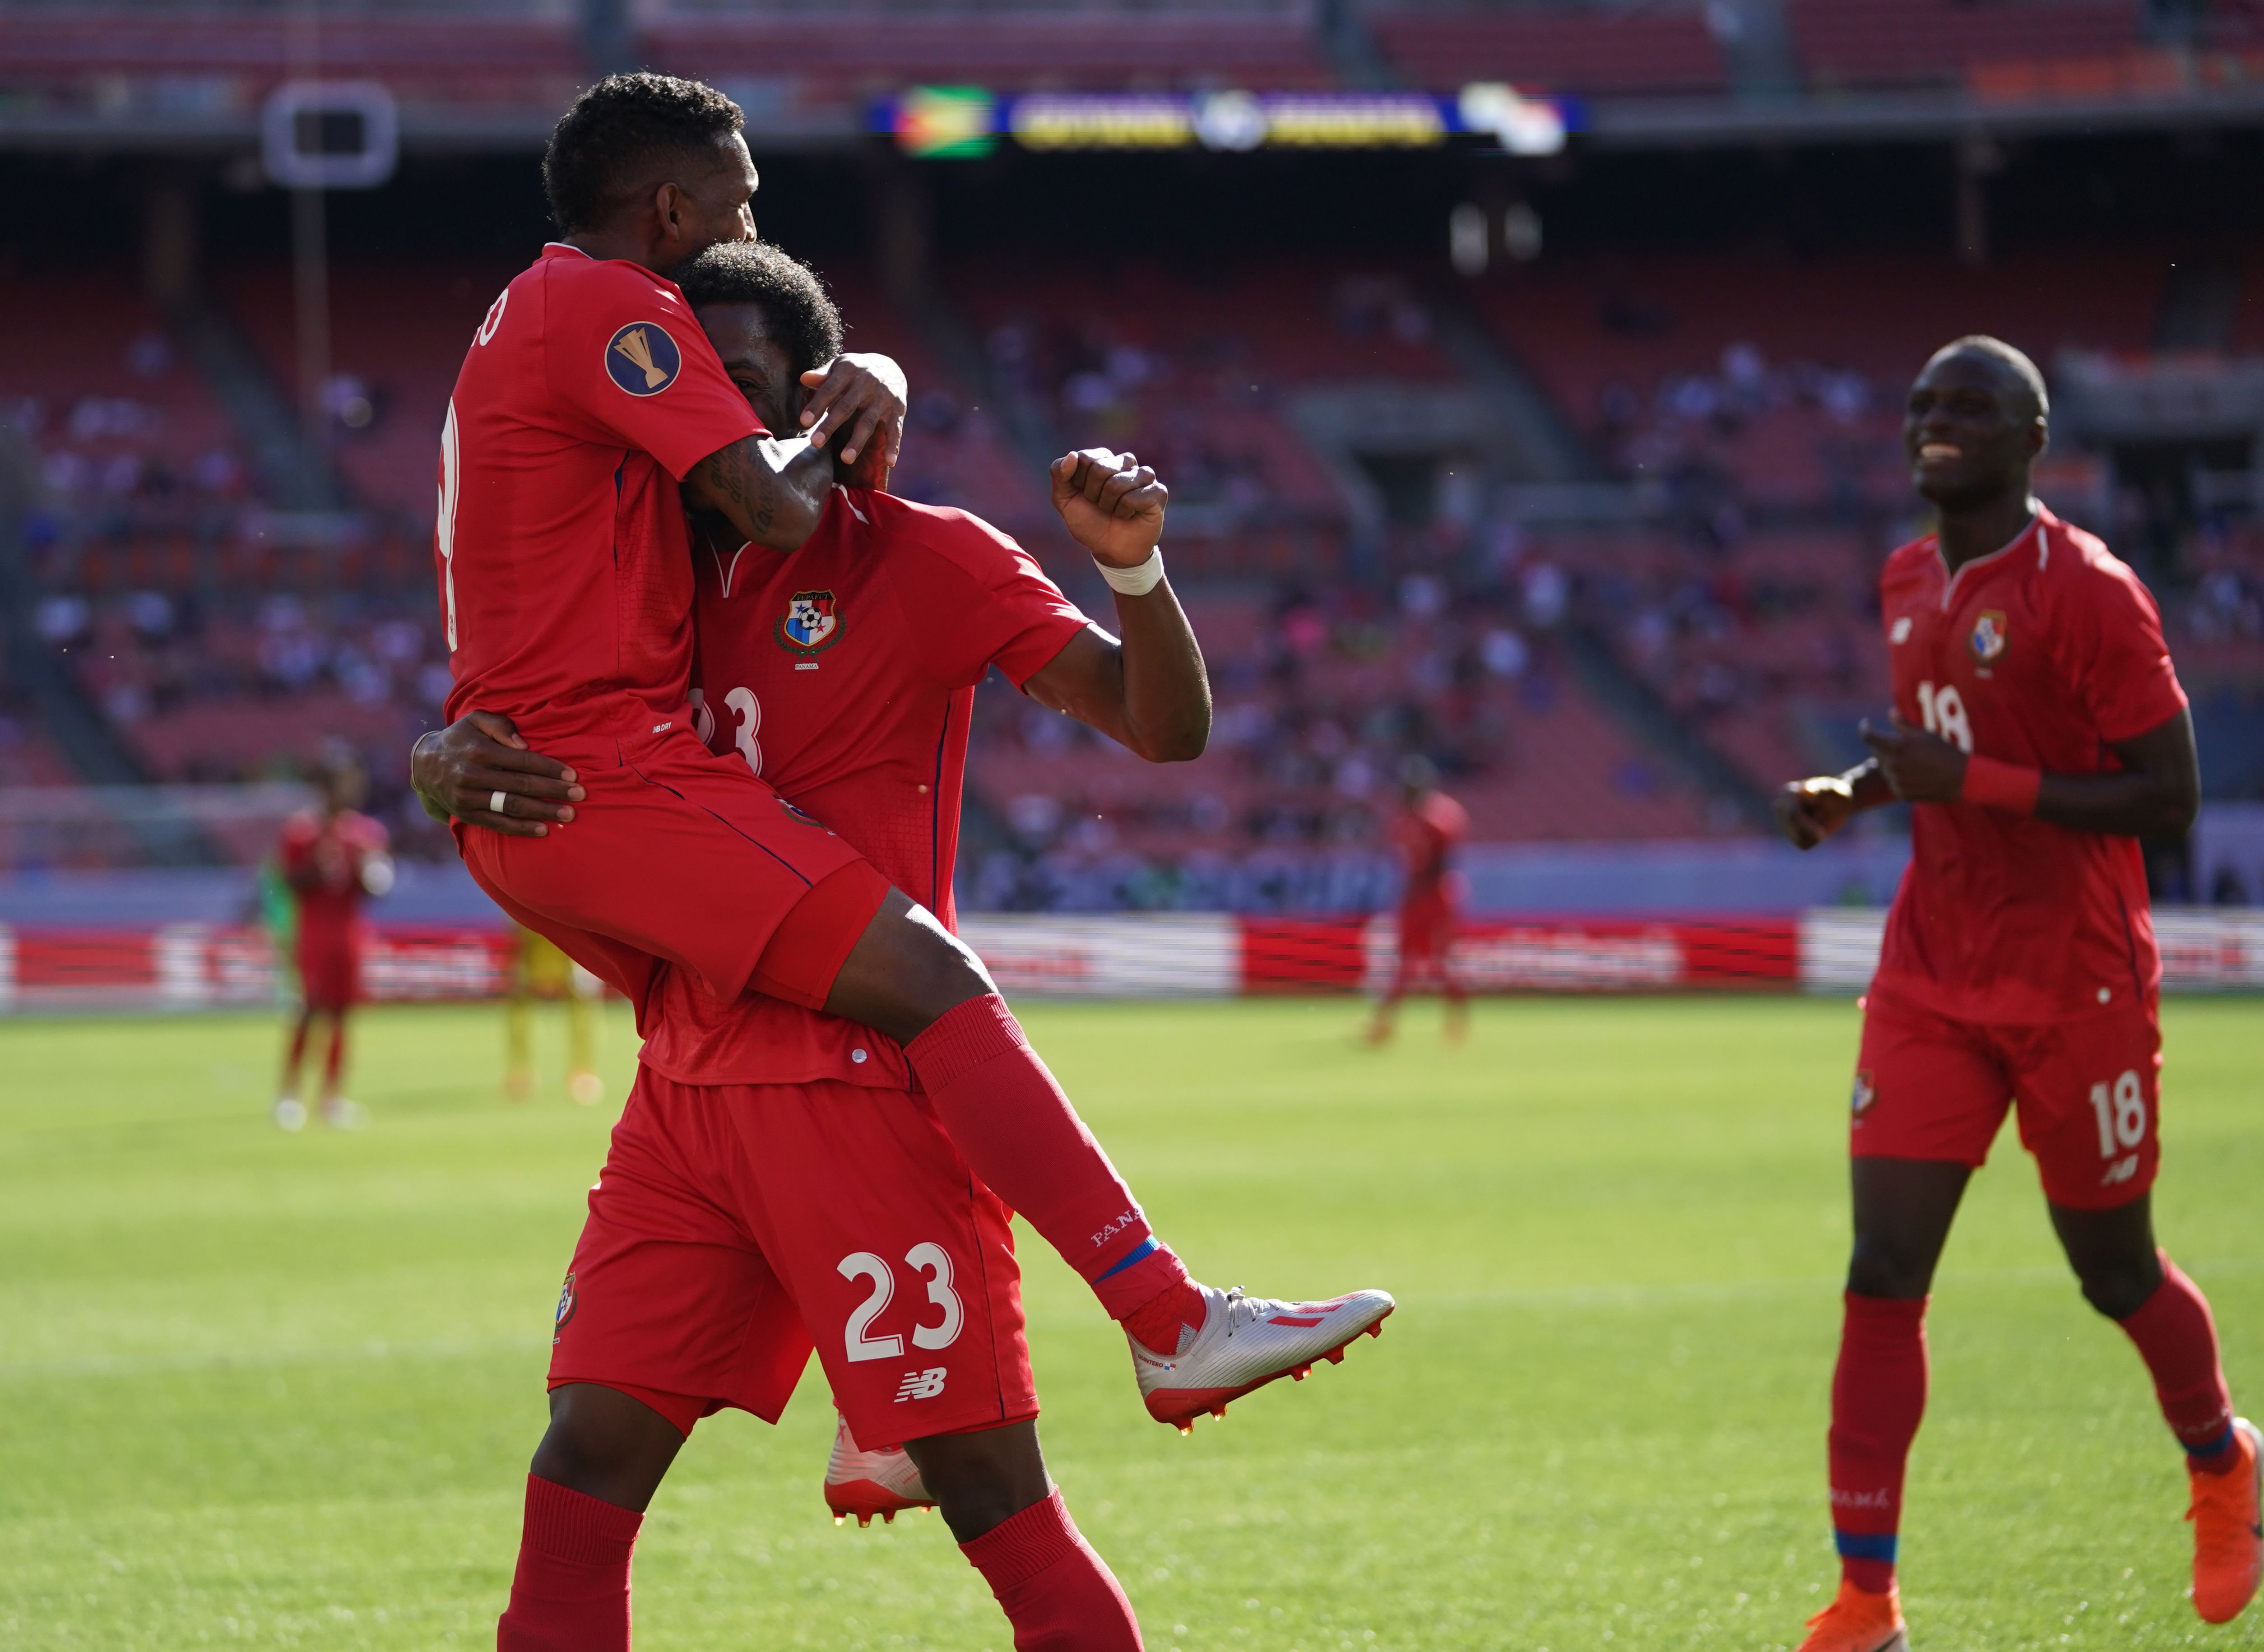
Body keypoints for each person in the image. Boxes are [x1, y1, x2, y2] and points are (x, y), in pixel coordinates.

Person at [412, 105, 1391, 1650]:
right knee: (580, 1469)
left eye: (743, 392)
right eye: (694, 391)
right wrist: (453, 751)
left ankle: (1142, 1323)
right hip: (687, 1091)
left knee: (1002, 1507)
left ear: (806, 401)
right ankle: (954, 1372)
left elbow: (1158, 729)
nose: (703, 426)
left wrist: (1131, 571)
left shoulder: (925, 556)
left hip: (857, 1093)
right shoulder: (660, 584)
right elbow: (547, 693)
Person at [1772, 336, 2259, 1652]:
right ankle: (1865, 1601)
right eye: (1924, 402)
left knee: (2111, 1270)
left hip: (2074, 978)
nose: (1939, 421)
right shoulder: (1902, 573)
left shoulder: (2090, 592)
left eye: (1972, 406)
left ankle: (2220, 1460)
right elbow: (1939, 746)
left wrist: (1958, 784)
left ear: (2033, 437)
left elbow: (2168, 796)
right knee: (1881, 1271)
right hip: (1932, 970)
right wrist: (1853, 792)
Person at [273, 744, 392, 1131]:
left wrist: (366, 872)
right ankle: (289, 1095)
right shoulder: (301, 832)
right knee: (309, 1009)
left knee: (342, 1015)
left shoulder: (367, 834)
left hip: (349, 934)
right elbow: (289, 883)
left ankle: (332, 1097)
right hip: (314, 934)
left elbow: (377, 889)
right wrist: (315, 866)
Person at [1365, 756, 1470, 1045]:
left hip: (1435, 895)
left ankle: (1456, 1021)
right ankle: (1384, 1024)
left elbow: (1442, 862)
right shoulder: (1405, 819)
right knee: (1404, 962)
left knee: (1442, 960)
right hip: (1415, 896)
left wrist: (1424, 890)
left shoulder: (1441, 817)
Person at [504, 925, 602, 1105]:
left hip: (571, 959)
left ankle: (582, 1072)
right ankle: (520, 1073)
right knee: (519, 1011)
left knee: (583, 1010)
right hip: (535, 956)